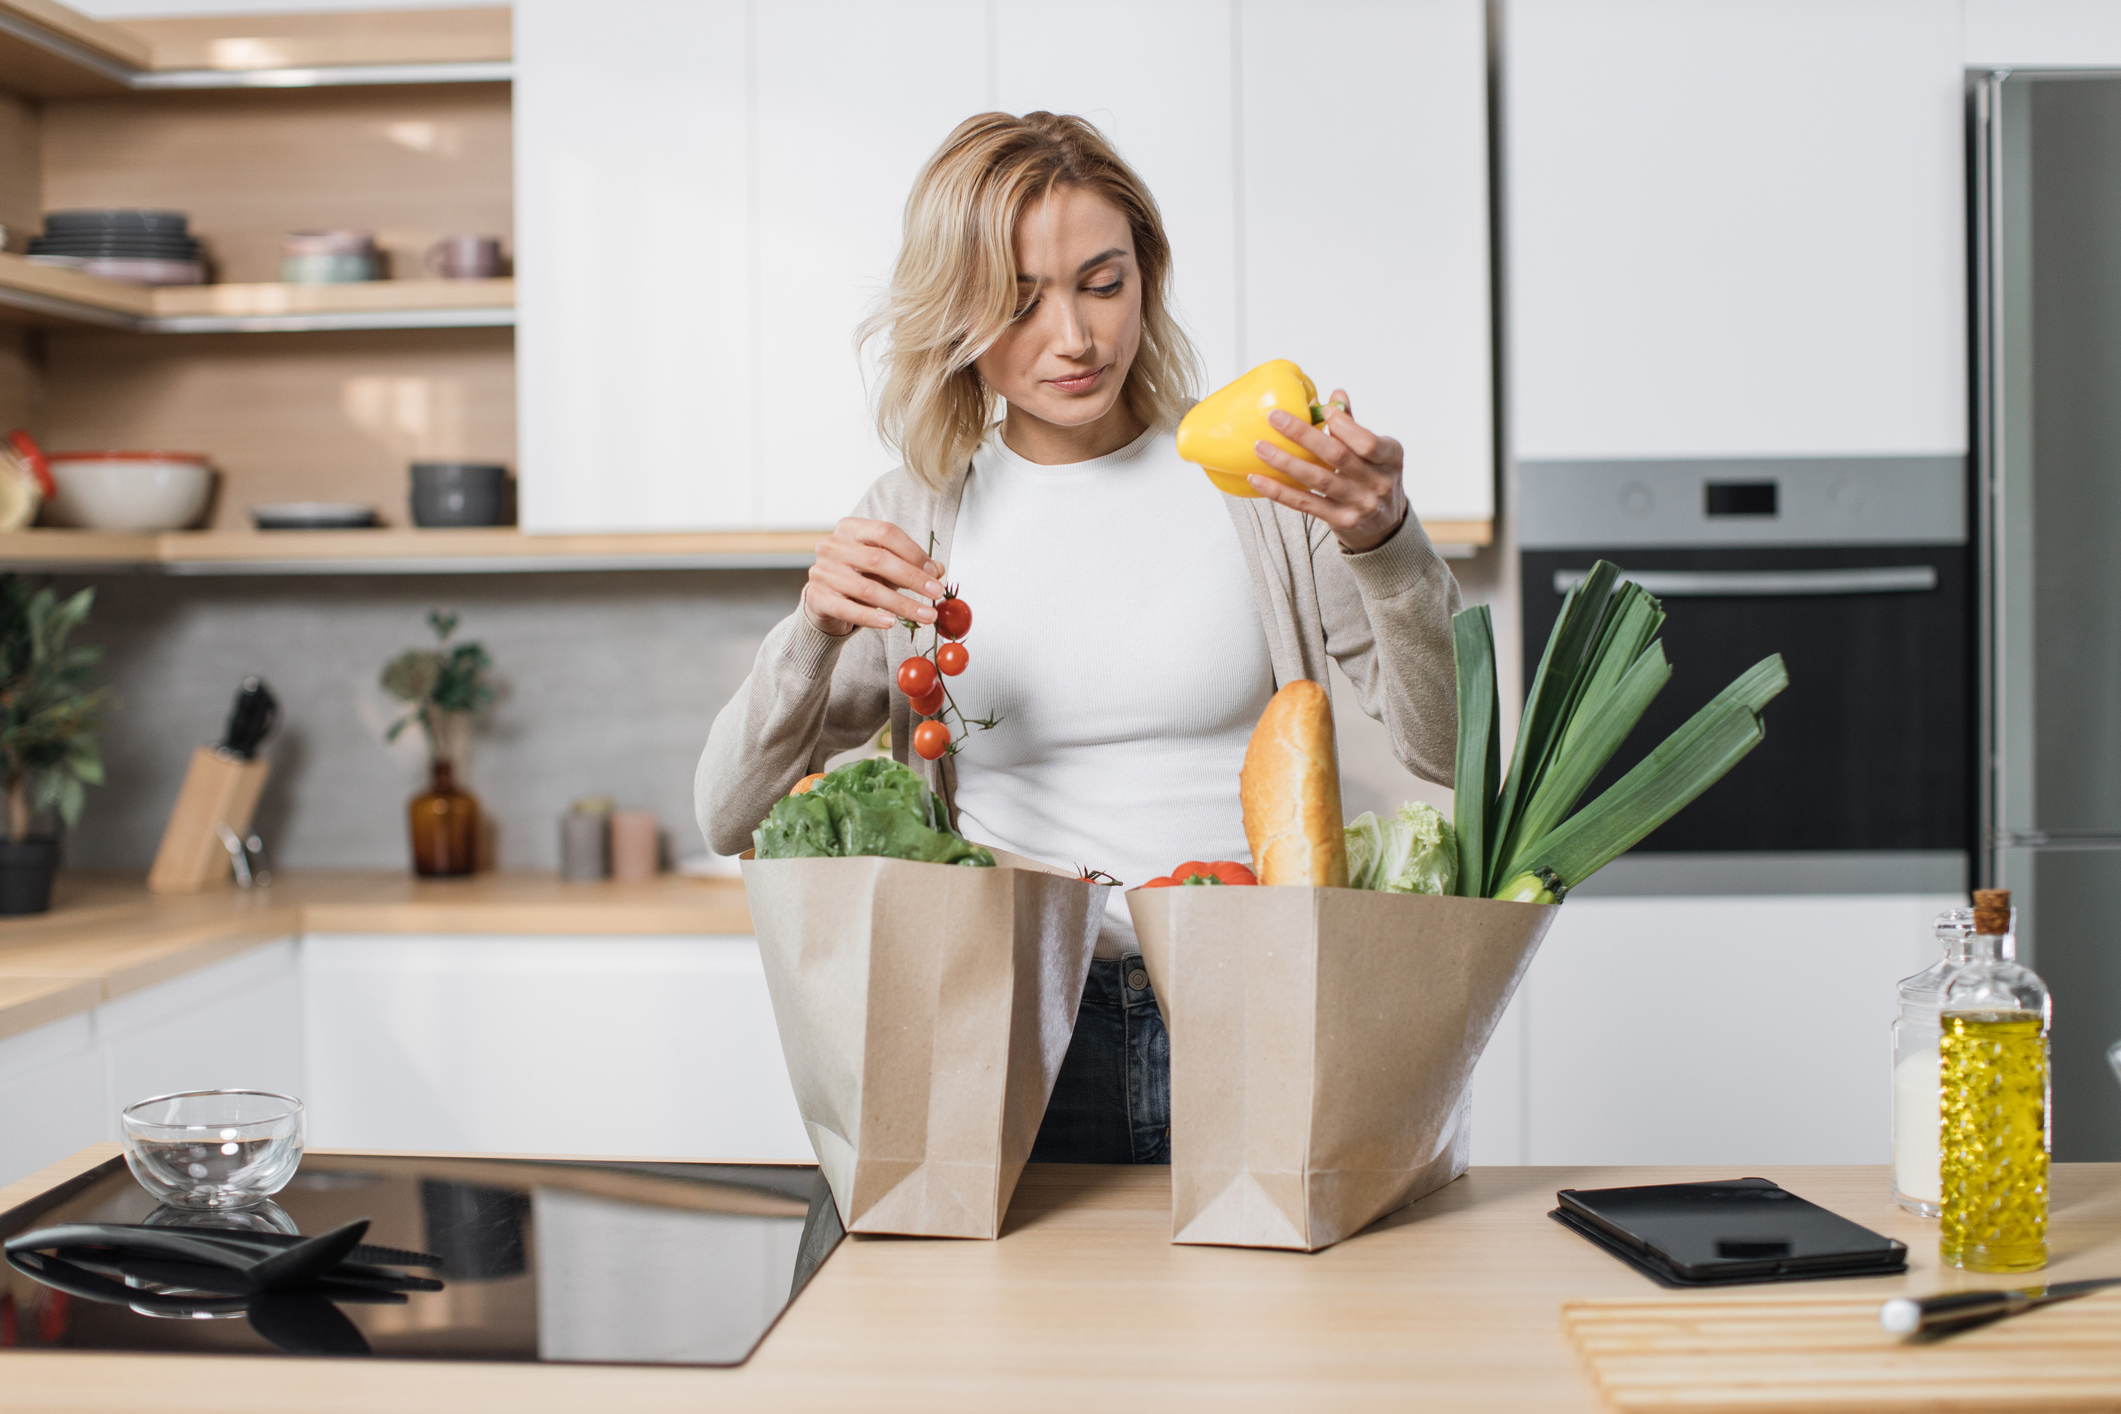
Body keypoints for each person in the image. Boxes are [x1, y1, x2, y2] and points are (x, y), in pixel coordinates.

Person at [697, 111, 1461, 1164]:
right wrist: (814, 630)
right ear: (956, 315)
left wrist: (1388, 544)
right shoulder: (920, 514)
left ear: (1145, 274)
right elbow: (724, 810)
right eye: (1017, 302)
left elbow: (1456, 749)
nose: (1074, 337)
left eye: (1102, 284)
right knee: (1030, 1328)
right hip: (1010, 1019)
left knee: (1277, 1328)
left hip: (1251, 994)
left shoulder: (1265, 488)